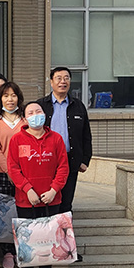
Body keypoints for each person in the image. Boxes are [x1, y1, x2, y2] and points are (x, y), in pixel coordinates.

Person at [6, 101, 70, 268]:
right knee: (27, 242)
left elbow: (63, 167)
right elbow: (13, 168)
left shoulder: (56, 138)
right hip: (26, 200)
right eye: (31, 112)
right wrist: (27, 189)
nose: (36, 115)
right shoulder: (17, 140)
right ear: (25, 118)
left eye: (38, 111)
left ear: (45, 114)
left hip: (52, 199)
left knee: (48, 241)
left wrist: (54, 190)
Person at [37, 67, 92, 214]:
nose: (63, 81)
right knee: (46, 200)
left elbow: (86, 135)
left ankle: (65, 228)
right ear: (51, 82)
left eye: (66, 78)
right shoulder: (41, 105)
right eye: (59, 78)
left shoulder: (78, 106)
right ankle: (48, 228)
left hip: (70, 160)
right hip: (45, 160)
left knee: (66, 202)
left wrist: (85, 160)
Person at [0, 81, 26, 268]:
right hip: (2, 174)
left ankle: (22, 250)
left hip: (25, 174)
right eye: (5, 95)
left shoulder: (26, 120)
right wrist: (10, 171)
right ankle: (7, 252)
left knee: (22, 212)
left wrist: (19, 172)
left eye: (13, 95)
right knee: (4, 214)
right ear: (0, 98)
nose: (10, 99)